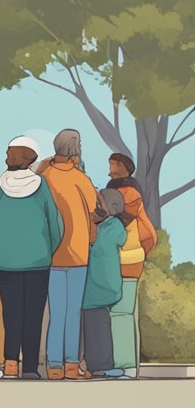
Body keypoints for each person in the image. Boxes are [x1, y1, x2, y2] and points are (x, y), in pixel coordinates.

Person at [0, 136, 63, 380]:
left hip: (6, 262)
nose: (7, 156)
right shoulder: (42, 187)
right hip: (38, 261)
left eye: (10, 152)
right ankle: (29, 367)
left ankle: (9, 363)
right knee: (33, 314)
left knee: (11, 313)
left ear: (23, 156)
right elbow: (56, 224)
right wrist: (47, 251)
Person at [38, 129, 97, 381]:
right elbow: (94, 210)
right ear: (75, 149)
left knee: (56, 311)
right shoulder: (80, 179)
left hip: (50, 254)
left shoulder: (44, 176)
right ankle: (71, 365)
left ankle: (53, 365)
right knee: (73, 312)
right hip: (77, 253)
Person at [104, 153, 155, 378]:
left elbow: (123, 216)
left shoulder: (130, 192)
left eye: (114, 163)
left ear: (124, 167)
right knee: (117, 312)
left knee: (122, 313)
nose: (111, 166)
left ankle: (126, 365)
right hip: (117, 260)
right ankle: (119, 363)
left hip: (128, 259)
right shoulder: (113, 190)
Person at [83, 189, 129, 379]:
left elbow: (101, 243)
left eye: (99, 204)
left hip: (99, 289)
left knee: (97, 327)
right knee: (94, 327)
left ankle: (101, 364)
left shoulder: (112, 227)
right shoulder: (108, 226)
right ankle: (95, 364)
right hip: (95, 289)